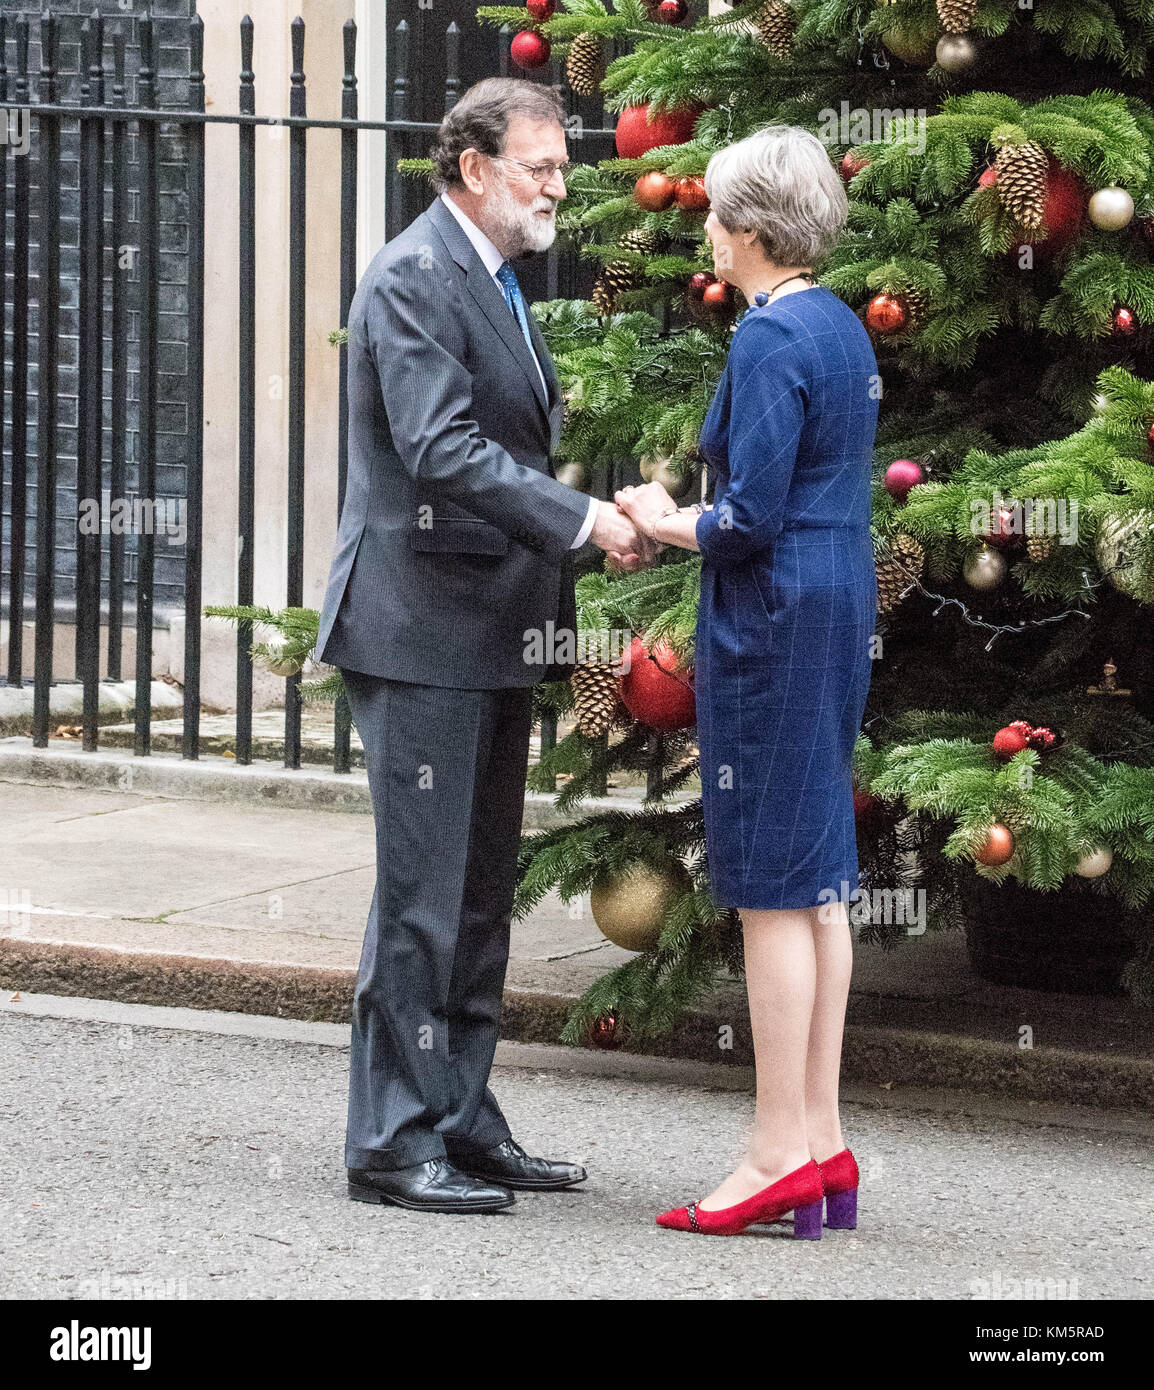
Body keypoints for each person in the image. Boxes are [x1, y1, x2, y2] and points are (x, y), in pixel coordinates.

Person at [316, 78, 652, 1215]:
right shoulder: (415, 273)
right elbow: (441, 449)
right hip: (417, 632)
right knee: (421, 896)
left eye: (561, 166)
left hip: (487, 625)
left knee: (471, 896)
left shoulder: (493, 278)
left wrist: (586, 522)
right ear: (471, 167)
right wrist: (579, 518)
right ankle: (392, 1138)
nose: (558, 185)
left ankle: (459, 1115)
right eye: (538, 167)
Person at [614, 125, 879, 1239]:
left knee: (771, 877)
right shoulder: (840, 325)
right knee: (815, 873)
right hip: (835, 600)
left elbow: (745, 519)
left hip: (771, 614)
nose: (706, 231)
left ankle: (776, 1148)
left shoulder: (770, 338)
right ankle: (816, 1139)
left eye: (718, 215)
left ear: (755, 232)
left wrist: (655, 519)